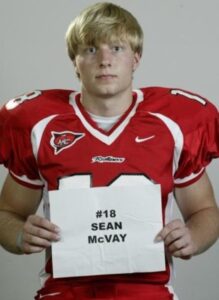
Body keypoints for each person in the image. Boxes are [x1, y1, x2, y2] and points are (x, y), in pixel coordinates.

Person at [0, 2, 218, 299]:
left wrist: (193, 237)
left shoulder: (172, 124)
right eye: (91, 49)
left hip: (148, 291)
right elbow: (8, 213)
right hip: (64, 292)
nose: (105, 60)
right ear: (74, 61)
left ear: (136, 58)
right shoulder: (40, 125)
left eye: (117, 48)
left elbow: (205, 211)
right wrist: (20, 234)